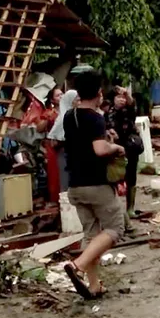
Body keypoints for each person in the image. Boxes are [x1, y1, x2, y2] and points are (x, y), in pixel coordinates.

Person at [63, 70, 126, 299]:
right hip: (96, 184)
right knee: (115, 228)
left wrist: (104, 137)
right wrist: (116, 148)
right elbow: (99, 150)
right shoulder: (95, 118)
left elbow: (83, 142)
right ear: (99, 93)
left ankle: (93, 285)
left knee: (91, 235)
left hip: (75, 185)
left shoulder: (70, 116)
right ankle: (77, 265)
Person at [105, 86, 141, 222]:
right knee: (115, 175)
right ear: (113, 99)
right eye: (119, 97)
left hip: (130, 146)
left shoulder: (129, 110)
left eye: (123, 97)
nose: (122, 100)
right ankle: (116, 209)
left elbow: (132, 104)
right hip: (114, 147)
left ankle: (130, 208)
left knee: (131, 176)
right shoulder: (108, 111)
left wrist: (127, 94)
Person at [47, 88, 78, 193]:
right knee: (65, 181)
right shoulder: (62, 118)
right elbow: (53, 141)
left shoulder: (76, 114)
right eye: (75, 99)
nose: (78, 101)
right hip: (65, 153)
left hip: (76, 154)